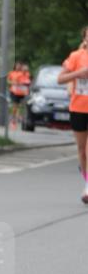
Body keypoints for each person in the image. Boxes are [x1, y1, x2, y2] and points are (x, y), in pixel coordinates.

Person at [57, 26, 88, 204]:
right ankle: (86, 181)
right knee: (82, 150)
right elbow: (60, 79)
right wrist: (79, 74)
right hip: (78, 107)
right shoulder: (76, 56)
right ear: (85, 39)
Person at [7, 61, 28, 127]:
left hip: (21, 92)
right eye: (17, 65)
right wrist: (13, 83)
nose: (18, 67)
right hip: (14, 91)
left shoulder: (23, 73)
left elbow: (27, 79)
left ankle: (18, 117)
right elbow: (8, 81)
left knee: (20, 106)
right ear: (15, 66)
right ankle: (14, 118)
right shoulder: (11, 73)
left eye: (19, 66)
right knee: (15, 106)